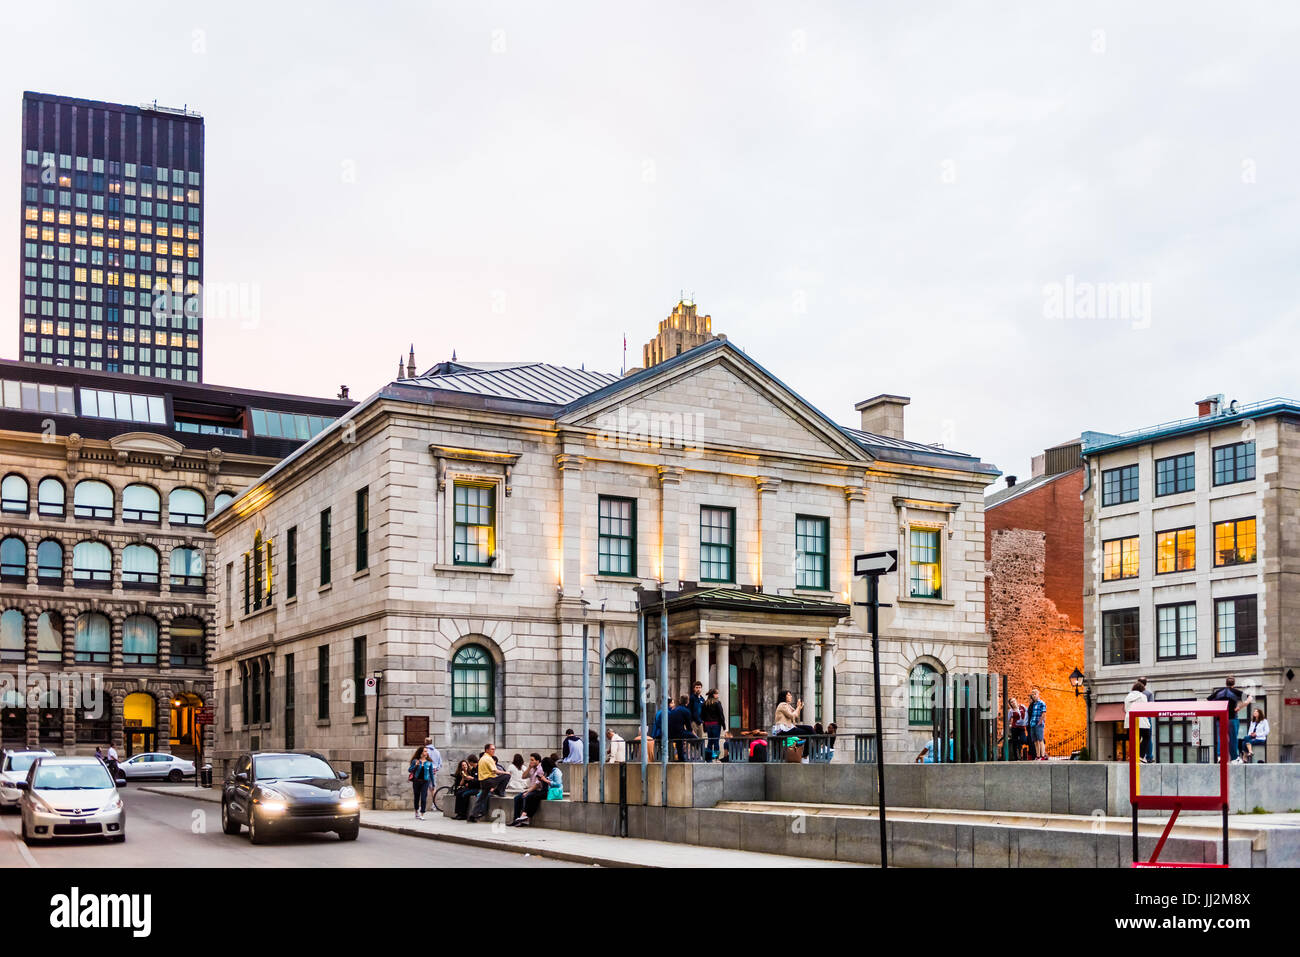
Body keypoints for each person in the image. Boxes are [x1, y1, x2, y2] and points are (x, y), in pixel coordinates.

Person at [1209, 676, 1251, 762]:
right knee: (1233, 738)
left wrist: (1216, 709)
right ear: (1234, 684)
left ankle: (1220, 756)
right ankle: (1234, 758)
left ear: (1226, 683)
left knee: (1221, 738)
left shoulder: (1219, 692)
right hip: (1232, 718)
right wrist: (1240, 707)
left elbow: (1208, 700)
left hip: (1220, 718)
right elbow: (1250, 698)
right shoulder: (1235, 691)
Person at [469, 743, 510, 822]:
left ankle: (473, 815)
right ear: (487, 750)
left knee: (481, 799)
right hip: (489, 780)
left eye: (494, 749)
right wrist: (506, 773)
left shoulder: (482, 759)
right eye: (492, 749)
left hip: (483, 782)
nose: (493, 751)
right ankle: (499, 791)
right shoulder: (488, 758)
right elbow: (495, 771)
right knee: (506, 776)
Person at [509, 753, 545, 824]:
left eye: (532, 760)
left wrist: (528, 792)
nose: (530, 761)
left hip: (538, 790)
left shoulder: (540, 769)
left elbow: (538, 784)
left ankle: (523, 819)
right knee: (517, 798)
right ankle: (516, 819)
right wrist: (529, 768)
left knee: (526, 796)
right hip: (531, 789)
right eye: (530, 760)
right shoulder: (532, 769)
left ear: (537, 761)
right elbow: (523, 776)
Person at [1124, 682, 1151, 764]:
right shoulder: (1142, 696)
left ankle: (1133, 756)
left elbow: (1125, 709)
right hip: (1141, 720)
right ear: (1141, 689)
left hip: (1130, 720)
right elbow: (1145, 708)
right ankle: (1141, 756)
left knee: (1134, 739)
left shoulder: (1127, 697)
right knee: (1146, 737)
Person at [408, 746, 437, 819]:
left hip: (425, 782)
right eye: (425, 751)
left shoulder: (429, 763)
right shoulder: (415, 761)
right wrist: (416, 765)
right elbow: (410, 770)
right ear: (421, 752)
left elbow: (431, 774)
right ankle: (416, 812)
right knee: (416, 797)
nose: (426, 752)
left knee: (424, 798)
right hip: (416, 781)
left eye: (426, 751)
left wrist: (433, 784)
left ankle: (422, 814)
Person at [667, 695, 698, 760]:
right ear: (687, 701)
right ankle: (701, 756)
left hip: (670, 734)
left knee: (679, 742)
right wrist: (694, 734)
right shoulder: (686, 711)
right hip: (679, 733)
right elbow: (689, 727)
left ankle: (681, 758)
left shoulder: (674, 709)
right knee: (697, 740)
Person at [701, 688, 726, 761]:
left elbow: (702, 716)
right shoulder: (717, 703)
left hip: (708, 725)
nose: (717, 695)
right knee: (716, 741)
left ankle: (709, 758)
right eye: (716, 694)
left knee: (710, 741)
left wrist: (704, 726)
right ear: (713, 694)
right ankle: (716, 757)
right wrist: (724, 725)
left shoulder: (705, 703)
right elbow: (721, 715)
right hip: (716, 725)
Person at [1137, 677, 1155, 763]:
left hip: (1135, 717)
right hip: (1146, 717)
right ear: (1145, 684)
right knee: (1147, 737)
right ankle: (1149, 757)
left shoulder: (1133, 694)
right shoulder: (1148, 693)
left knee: (1137, 737)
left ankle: (1137, 756)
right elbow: (1151, 707)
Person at [1027, 688, 1047, 760]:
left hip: (1039, 724)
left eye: (1035, 694)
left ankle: (1043, 756)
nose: (1034, 696)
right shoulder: (1033, 704)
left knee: (1040, 740)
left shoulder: (1042, 703)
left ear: (1038, 694)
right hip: (1032, 724)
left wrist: (1039, 723)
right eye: (1032, 695)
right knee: (1035, 741)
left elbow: (1044, 714)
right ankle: (1038, 756)